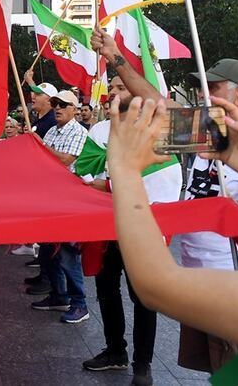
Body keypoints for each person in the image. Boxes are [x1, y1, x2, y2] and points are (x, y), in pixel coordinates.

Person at [93, 29, 238, 372]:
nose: (205, 93)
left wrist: (167, 215)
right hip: (198, 275)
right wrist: (114, 56)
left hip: (233, 282)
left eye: (214, 87)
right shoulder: (212, 132)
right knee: (218, 372)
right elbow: (158, 103)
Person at [79, 76, 168, 386]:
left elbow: (161, 179)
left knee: (144, 296)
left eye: (120, 87)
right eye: (111, 88)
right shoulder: (101, 129)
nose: (112, 93)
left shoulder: (158, 132)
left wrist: (111, 181)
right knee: (106, 289)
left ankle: (142, 365)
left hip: (144, 227)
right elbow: (86, 170)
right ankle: (115, 350)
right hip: (106, 227)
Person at [30, 90, 90, 324]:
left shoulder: (79, 131)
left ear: (75, 110)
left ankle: (79, 303)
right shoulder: (53, 131)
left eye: (64, 105)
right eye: (56, 104)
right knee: (47, 253)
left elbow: (65, 160)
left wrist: (39, 146)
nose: (58, 108)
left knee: (67, 254)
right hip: (50, 197)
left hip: (69, 200)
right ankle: (58, 295)